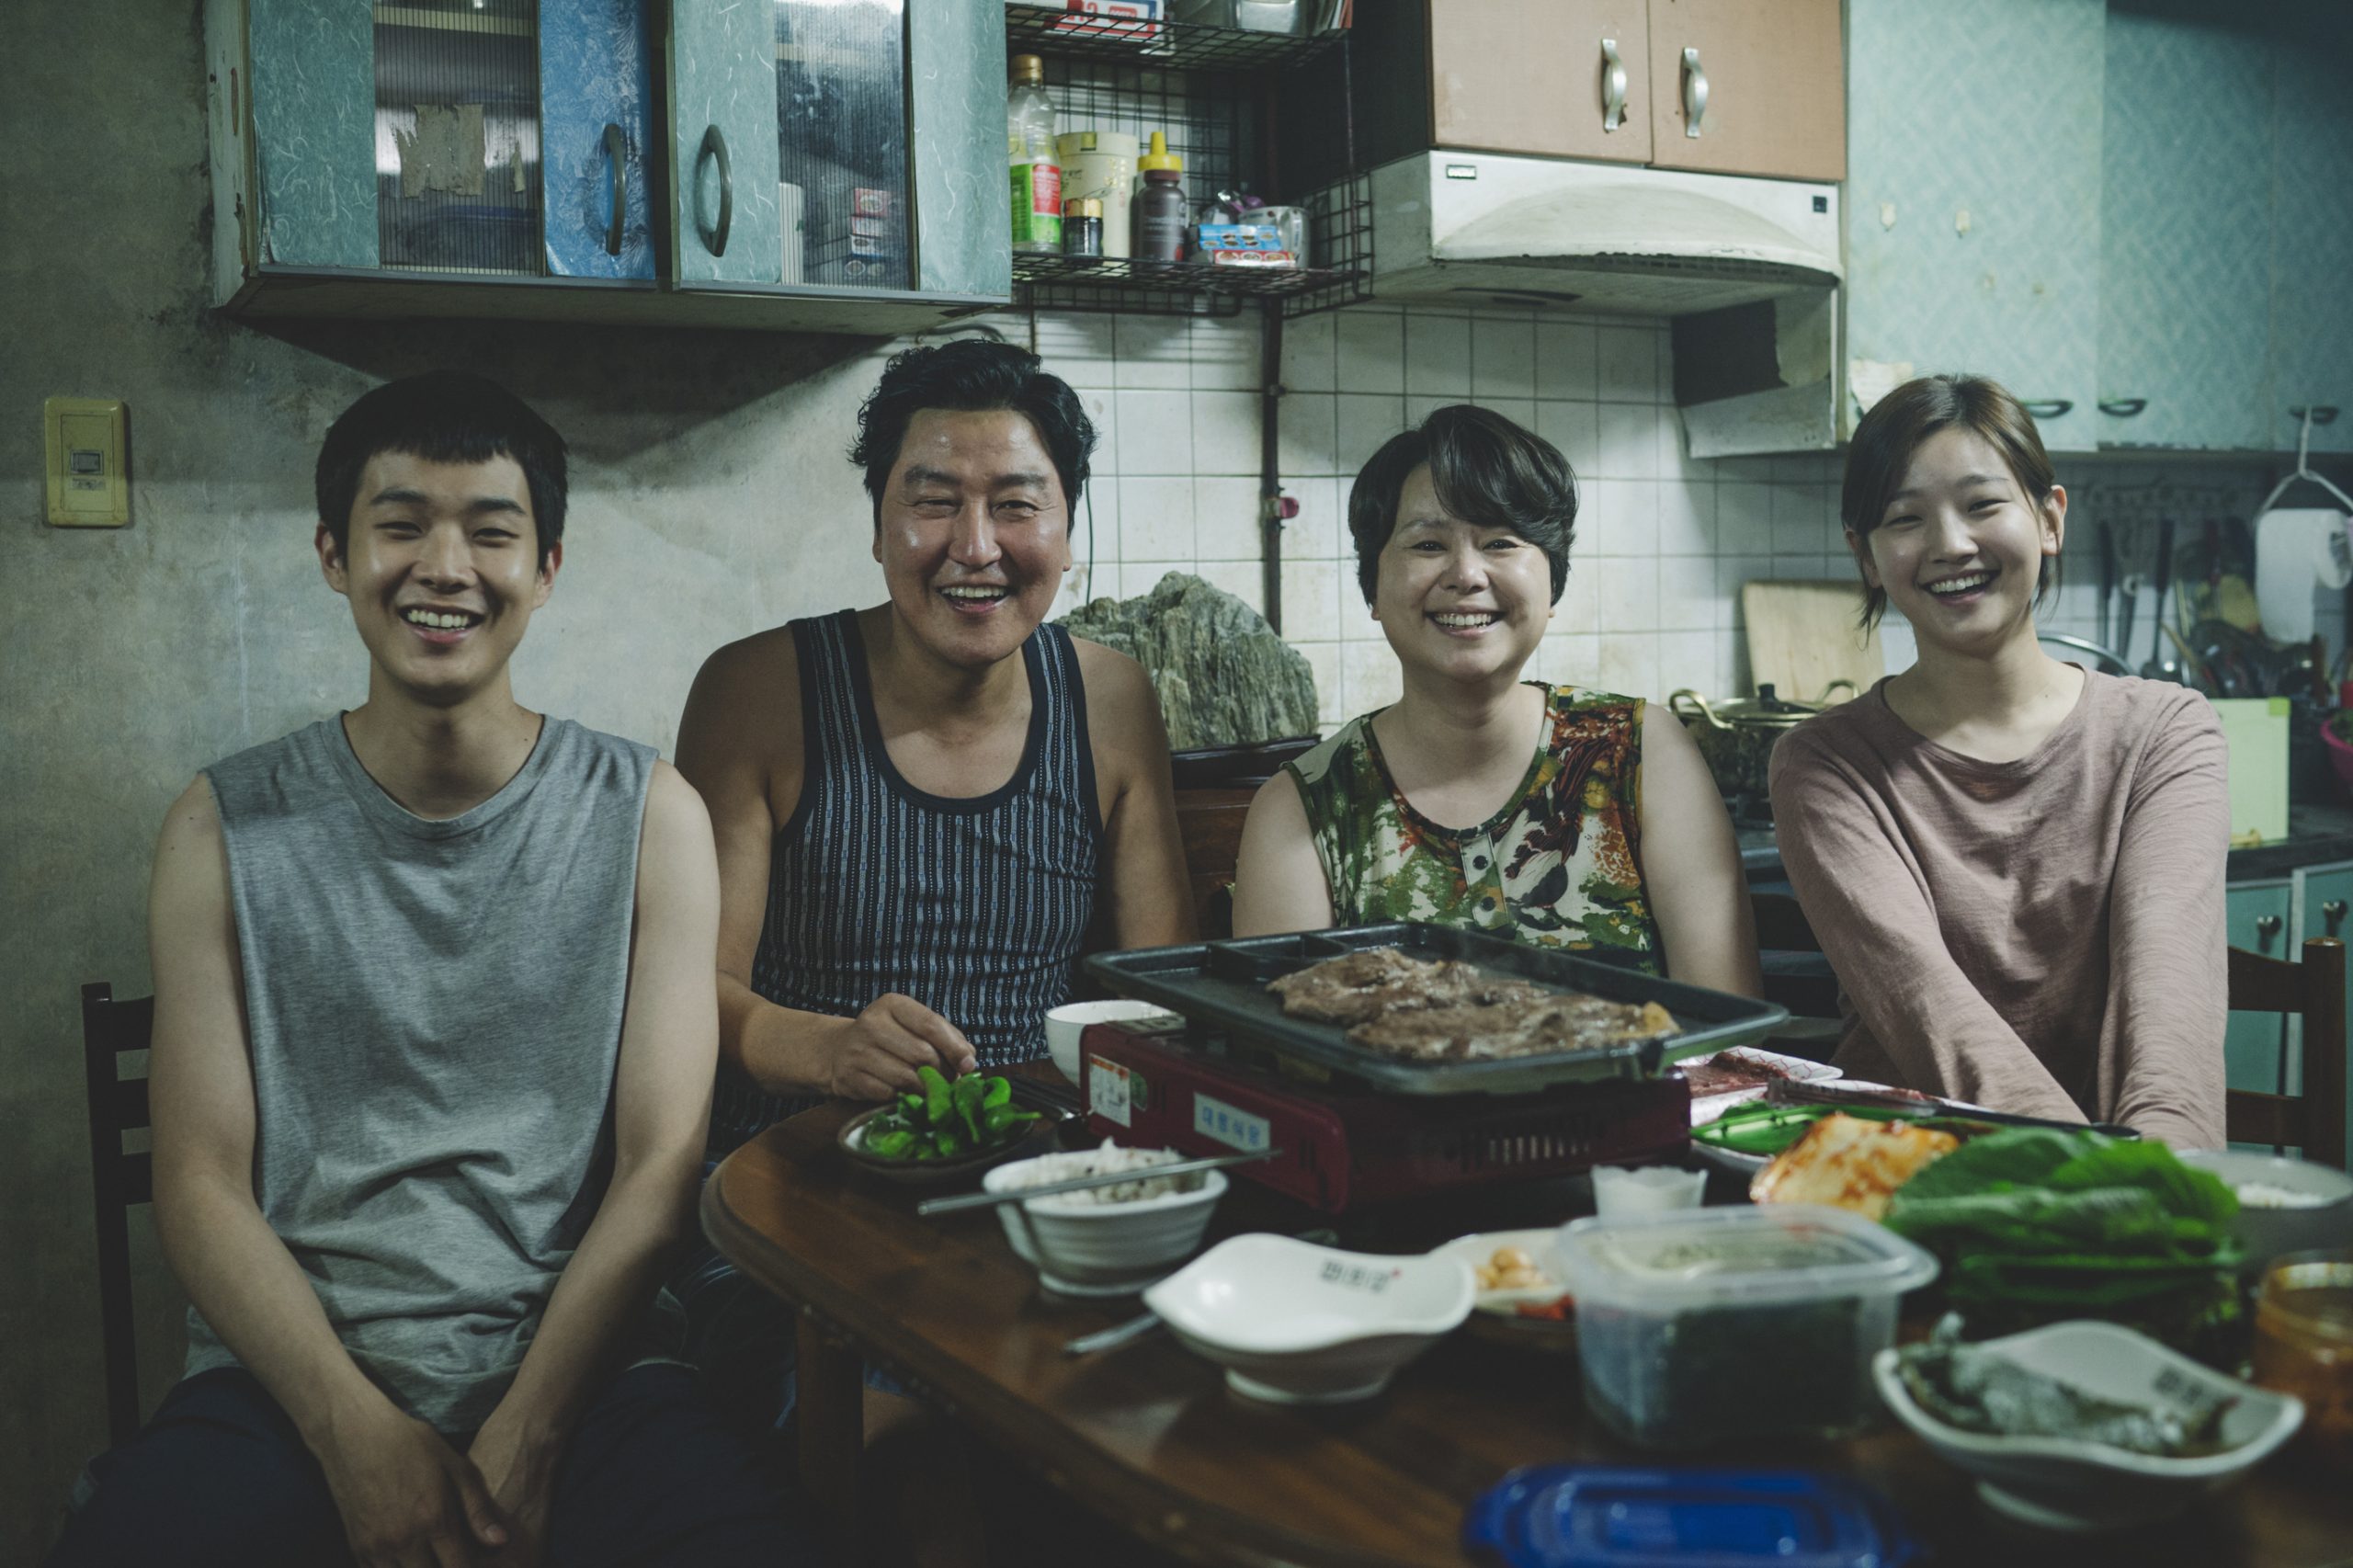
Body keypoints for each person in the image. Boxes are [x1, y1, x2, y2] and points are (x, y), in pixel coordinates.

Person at [50, 372, 816, 1568]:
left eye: (492, 531)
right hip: (292, 1381)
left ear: (547, 568)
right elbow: (200, 1180)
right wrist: (354, 1433)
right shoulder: (221, 827)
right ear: (334, 554)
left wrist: (536, 1425)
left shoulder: (648, 814)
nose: (445, 565)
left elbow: (664, 1159)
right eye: (401, 524)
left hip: (595, 1370)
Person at [670, 340, 1193, 1540]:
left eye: (1017, 503)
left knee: (1175, 1437)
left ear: (1066, 528)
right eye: (933, 500)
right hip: (792, 1207)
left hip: (1045, 1204)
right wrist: (823, 1047)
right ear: (877, 523)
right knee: (923, 1477)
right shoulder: (762, 690)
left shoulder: (1110, 696)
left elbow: (1160, 999)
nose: (976, 545)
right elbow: (682, 992)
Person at [1769, 373, 2227, 1147]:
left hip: (2140, 1179)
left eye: (1983, 505)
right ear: (1868, 558)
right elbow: (1927, 1008)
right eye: (1905, 519)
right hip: (1907, 1179)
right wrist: (2098, 1181)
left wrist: (2158, 1189)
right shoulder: (1823, 765)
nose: (1951, 544)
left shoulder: (2167, 733)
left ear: (2049, 519)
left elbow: (2169, 1005)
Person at [1230, 403, 1760, 996]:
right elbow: (1280, 1056)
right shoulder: (1304, 807)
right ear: (1372, 588)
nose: (1467, 574)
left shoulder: (1638, 753)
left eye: (1501, 542)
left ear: (1552, 583)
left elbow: (1728, 1031)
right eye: (1428, 544)